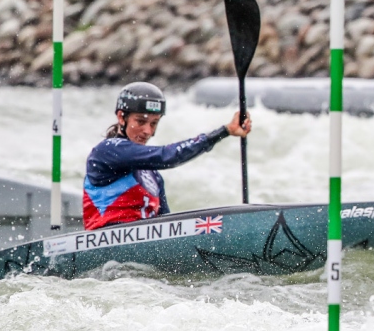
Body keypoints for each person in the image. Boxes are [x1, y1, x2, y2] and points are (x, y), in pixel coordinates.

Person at [83, 82, 252, 230]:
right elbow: (167, 156)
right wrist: (224, 131)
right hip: (104, 247)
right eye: (140, 122)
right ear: (121, 117)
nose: (147, 131)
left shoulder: (153, 176)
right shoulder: (106, 151)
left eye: (154, 123)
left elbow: (166, 225)